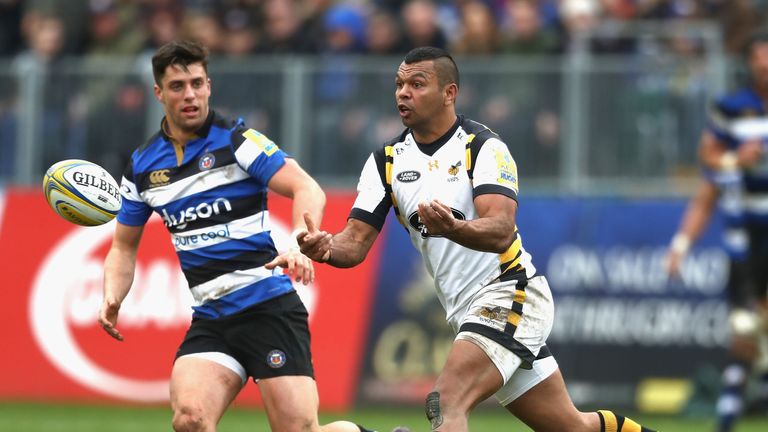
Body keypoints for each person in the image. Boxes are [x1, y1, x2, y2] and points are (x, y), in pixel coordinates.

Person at [297, 46, 656, 432]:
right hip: (466, 312)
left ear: (449, 92)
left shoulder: (483, 148)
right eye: (399, 84)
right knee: (574, 428)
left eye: (417, 84)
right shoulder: (386, 161)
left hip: (511, 293)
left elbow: (501, 230)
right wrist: (327, 247)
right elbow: (355, 243)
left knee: (446, 402)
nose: (403, 93)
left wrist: (455, 228)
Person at [97, 40, 376, 432]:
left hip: (268, 309)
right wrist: (113, 294)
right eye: (177, 86)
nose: (189, 94)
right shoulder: (142, 166)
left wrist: (300, 236)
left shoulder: (236, 141)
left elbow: (306, 187)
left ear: (209, 85)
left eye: (197, 83)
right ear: (158, 93)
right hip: (211, 317)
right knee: (190, 420)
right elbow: (123, 247)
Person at [678, 30, 768, 432]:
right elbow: (708, 173)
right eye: (759, 58)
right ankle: (726, 424)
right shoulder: (733, 109)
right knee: (744, 341)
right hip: (746, 244)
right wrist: (681, 245)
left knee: (753, 335)